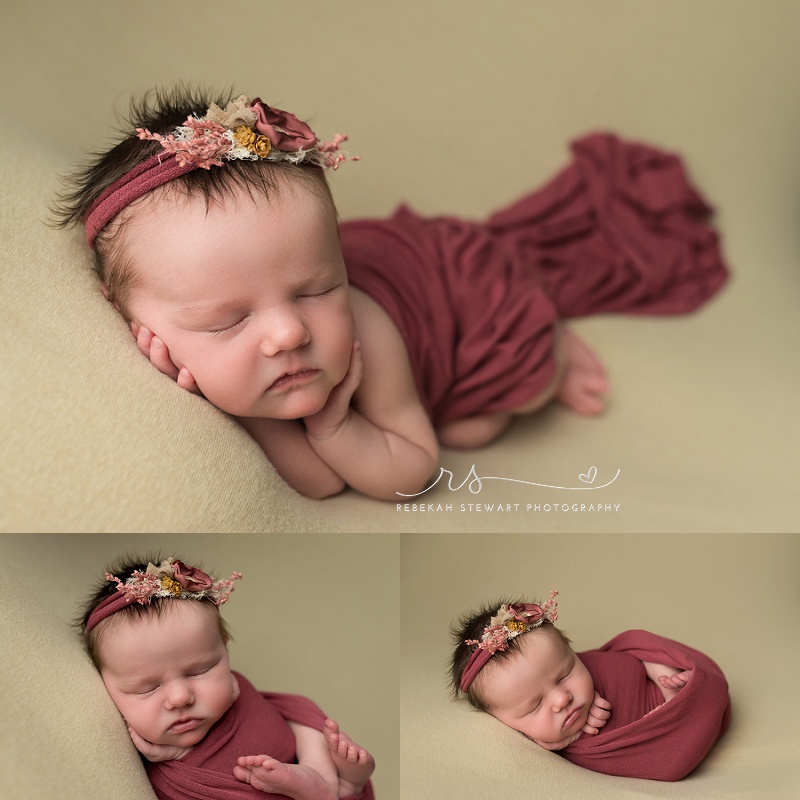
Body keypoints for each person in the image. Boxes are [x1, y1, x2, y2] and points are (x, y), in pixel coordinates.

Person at [54, 87, 728, 501]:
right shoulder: (229, 338)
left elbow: (415, 470)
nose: (289, 333)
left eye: (319, 286)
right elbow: (317, 481)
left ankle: (551, 337)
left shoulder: (360, 332)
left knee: (480, 420)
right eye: (227, 320)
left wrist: (338, 425)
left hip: (464, 301)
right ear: (142, 329)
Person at [78, 555, 375, 800]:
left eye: (200, 670)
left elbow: (282, 714)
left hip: (295, 763)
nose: (181, 697)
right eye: (147, 688)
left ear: (225, 649)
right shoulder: (129, 756)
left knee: (305, 718)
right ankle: (341, 789)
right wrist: (179, 754)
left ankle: (324, 776)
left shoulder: (236, 691)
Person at [448, 592, 731, 780]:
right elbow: (673, 766)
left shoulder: (585, 665)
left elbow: (622, 655)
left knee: (639, 646)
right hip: (656, 735)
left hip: (644, 678)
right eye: (535, 706)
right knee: (676, 761)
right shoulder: (539, 737)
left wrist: (639, 670)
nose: (561, 699)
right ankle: (673, 708)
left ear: (572, 652)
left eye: (566, 673)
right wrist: (561, 741)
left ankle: (664, 678)